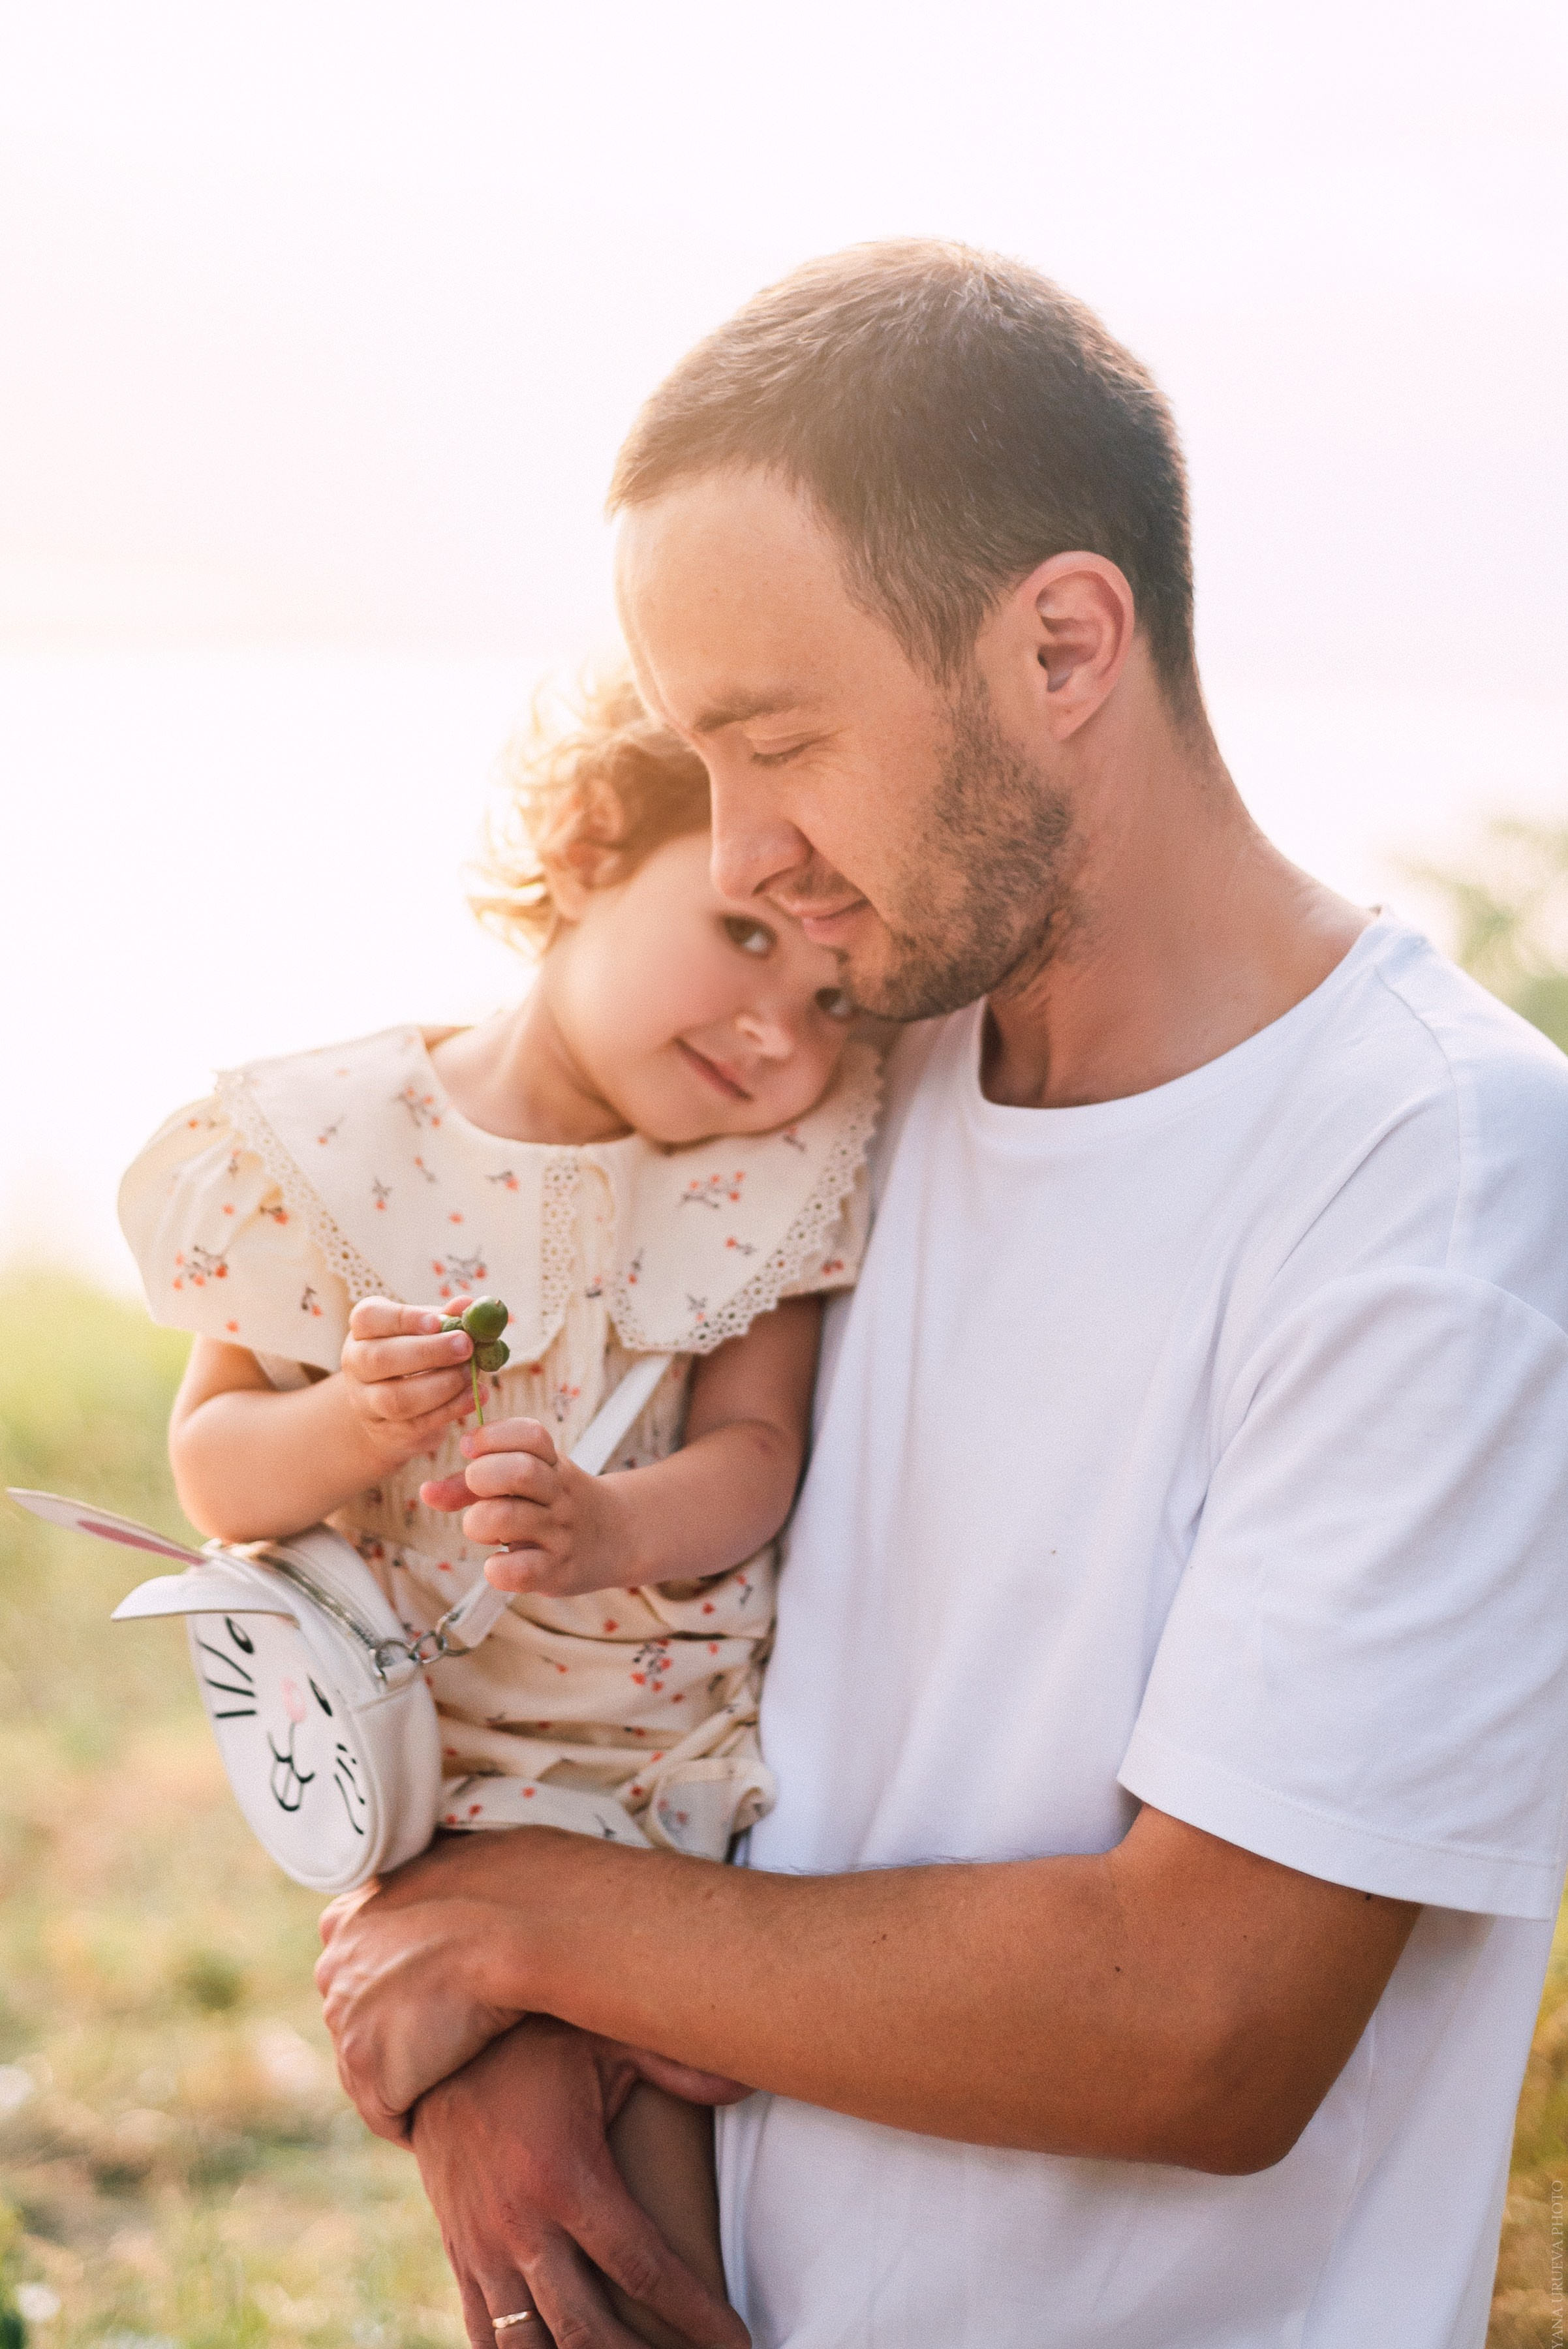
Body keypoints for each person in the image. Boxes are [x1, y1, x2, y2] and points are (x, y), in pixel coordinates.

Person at [314, 242, 1568, 2349]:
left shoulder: (1432, 1177)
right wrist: (493, 2040)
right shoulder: (826, 1091)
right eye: (695, 762)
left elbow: (1200, 2023)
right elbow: (506, 1644)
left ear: (1064, 643)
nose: (735, 853)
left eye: (777, 741)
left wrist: (531, 1932)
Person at [117, 679, 880, 2346]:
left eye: (834, 1000)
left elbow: (756, 1456)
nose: (782, 1035)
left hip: (641, 1784)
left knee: (636, 2242)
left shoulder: (751, 1190)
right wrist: (343, 1420)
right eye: (746, 937)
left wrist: (613, 1526)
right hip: (414, 1801)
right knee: (539, 2271)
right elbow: (215, 1470)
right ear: (591, 851)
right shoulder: (329, 1149)